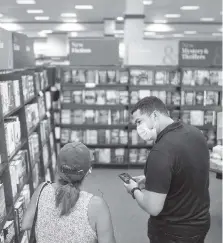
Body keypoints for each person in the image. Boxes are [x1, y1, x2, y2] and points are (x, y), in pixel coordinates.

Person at [123, 96, 210, 243]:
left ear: (155, 115)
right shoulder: (196, 134)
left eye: (139, 121)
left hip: (172, 232)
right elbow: (188, 171)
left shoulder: (160, 151)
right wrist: (151, 179)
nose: (138, 128)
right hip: (200, 224)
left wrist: (134, 190)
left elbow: (153, 207)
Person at [22, 142, 116, 243]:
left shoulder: (42, 189)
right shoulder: (97, 206)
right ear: (88, 171)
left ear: (57, 168)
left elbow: (26, 224)